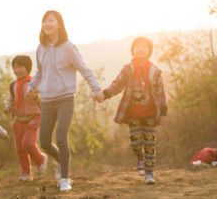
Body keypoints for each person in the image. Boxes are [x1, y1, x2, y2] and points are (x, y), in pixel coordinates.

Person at [26, 10, 102, 191]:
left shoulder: (68, 47)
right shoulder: (41, 48)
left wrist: (96, 88)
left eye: (51, 21)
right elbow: (40, 72)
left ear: (59, 24)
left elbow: (84, 69)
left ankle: (65, 179)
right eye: (44, 21)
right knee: (44, 141)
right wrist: (31, 86)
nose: (47, 24)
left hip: (65, 98)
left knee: (61, 137)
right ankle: (62, 160)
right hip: (46, 100)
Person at [97, 36, 168, 185]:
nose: (141, 49)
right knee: (135, 142)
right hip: (134, 115)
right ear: (133, 50)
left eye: (144, 46)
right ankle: (140, 158)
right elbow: (117, 85)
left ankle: (149, 174)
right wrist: (105, 94)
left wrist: (163, 113)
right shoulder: (128, 70)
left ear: (149, 51)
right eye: (137, 46)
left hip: (150, 114)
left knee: (150, 145)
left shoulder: (154, 72)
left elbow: (161, 93)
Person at [4, 55, 48, 181]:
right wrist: (7, 107)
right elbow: (11, 99)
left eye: (20, 67)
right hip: (18, 119)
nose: (17, 70)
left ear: (28, 68)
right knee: (19, 148)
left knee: (28, 143)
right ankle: (26, 173)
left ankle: (40, 159)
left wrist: (35, 97)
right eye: (15, 67)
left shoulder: (34, 83)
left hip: (33, 117)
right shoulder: (14, 85)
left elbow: (43, 99)